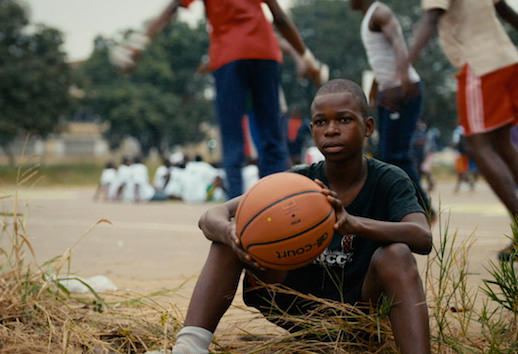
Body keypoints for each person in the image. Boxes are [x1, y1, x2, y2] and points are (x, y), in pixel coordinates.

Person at [171, 79, 432, 353]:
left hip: (358, 310)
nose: (331, 130)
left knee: (396, 255)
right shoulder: (296, 183)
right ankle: (189, 348)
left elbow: (422, 237)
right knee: (235, 233)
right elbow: (211, 216)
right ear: (312, 129)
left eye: (344, 120)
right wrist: (231, 234)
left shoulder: (389, 180)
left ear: (368, 127)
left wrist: (355, 224)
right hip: (292, 304)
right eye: (321, 122)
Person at [134, 0, 327, 199]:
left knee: (232, 138)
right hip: (264, 52)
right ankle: (277, 202)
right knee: (272, 137)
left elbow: (173, 6)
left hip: (229, 54)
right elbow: (279, 18)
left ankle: (235, 212)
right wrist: (306, 55)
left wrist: (139, 42)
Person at [409, 0, 518, 261]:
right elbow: (502, 7)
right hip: (507, 57)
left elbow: (430, 17)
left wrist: (403, 64)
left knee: (477, 146)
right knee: (502, 145)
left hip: (479, 65)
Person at [350, 0, 434, 218]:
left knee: (396, 156)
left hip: (402, 91)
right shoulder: (369, 16)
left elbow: (399, 44)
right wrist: (375, 90)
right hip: (389, 92)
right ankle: (397, 209)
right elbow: (382, 60)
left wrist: (401, 81)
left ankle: (424, 209)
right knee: (385, 156)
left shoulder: (380, 12)